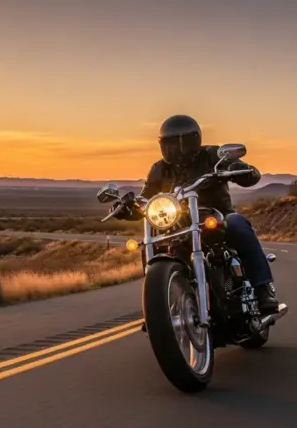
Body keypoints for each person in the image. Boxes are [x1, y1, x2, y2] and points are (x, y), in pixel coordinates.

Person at [114, 114, 280, 314]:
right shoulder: (159, 169)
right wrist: (128, 208)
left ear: (195, 140)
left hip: (217, 216)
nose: (178, 148)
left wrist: (240, 169)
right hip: (178, 223)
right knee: (152, 244)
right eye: (171, 142)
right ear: (163, 144)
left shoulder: (211, 155)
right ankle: (158, 309)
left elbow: (249, 176)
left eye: (183, 141)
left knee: (237, 223)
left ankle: (263, 289)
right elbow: (147, 197)